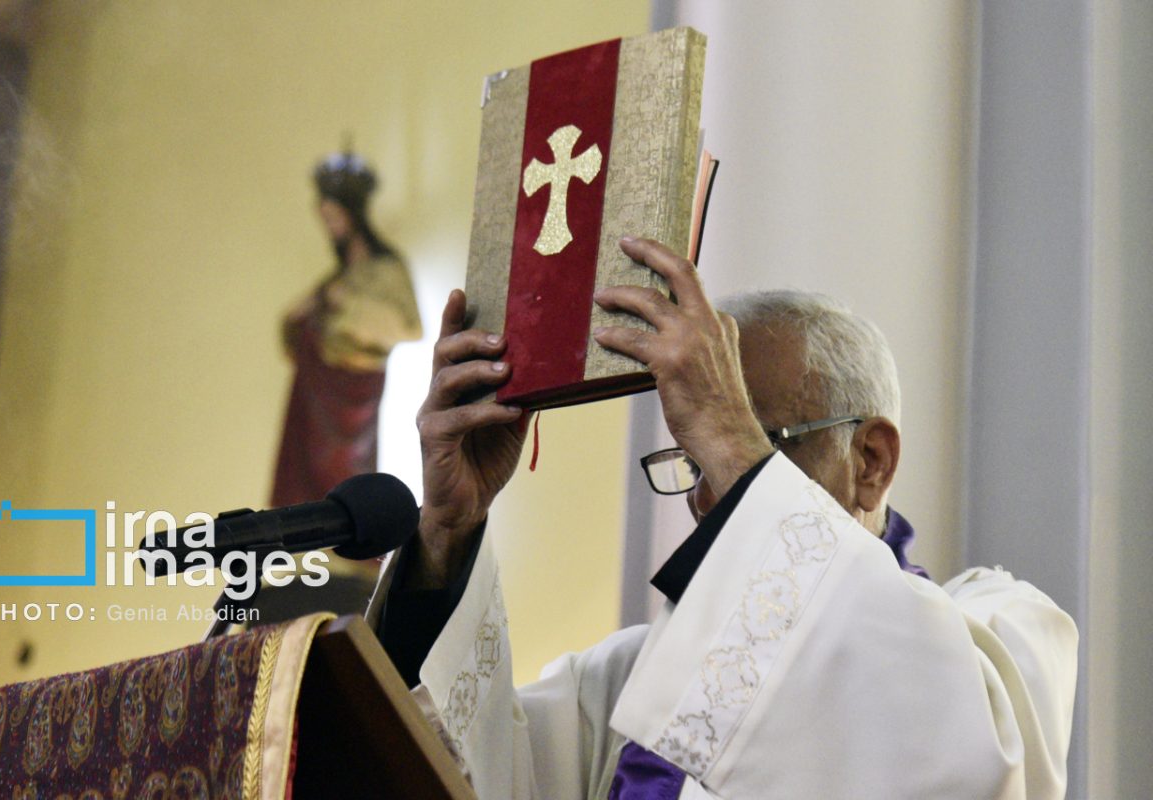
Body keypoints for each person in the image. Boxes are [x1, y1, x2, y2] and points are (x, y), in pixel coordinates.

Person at [370, 238, 1078, 799]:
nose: (709, 499)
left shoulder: (1006, 631)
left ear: (871, 460)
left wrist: (726, 433)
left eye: (746, 442)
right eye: (694, 460)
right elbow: (463, 769)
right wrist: (448, 533)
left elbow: (962, 762)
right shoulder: (631, 680)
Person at [271, 149, 422, 507]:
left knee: (346, 480)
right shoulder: (337, 279)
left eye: (333, 216)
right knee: (307, 489)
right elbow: (292, 329)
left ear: (353, 216)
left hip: (352, 398)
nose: (329, 226)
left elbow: (409, 325)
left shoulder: (385, 270)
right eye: (324, 218)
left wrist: (345, 304)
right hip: (313, 400)